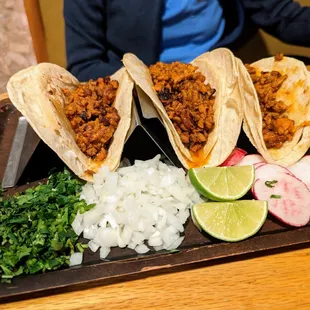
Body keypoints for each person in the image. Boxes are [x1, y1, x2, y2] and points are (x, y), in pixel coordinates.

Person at [63, 0, 310, 81]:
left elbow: (283, 17)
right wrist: (173, 85)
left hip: (223, 82)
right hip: (139, 91)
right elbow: (85, 65)